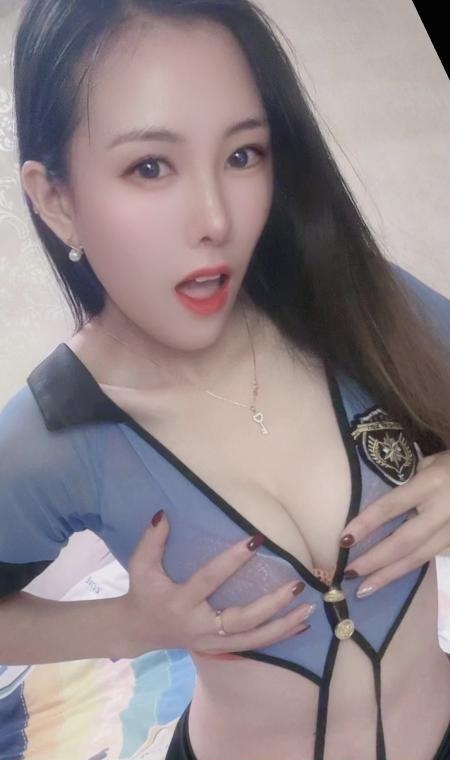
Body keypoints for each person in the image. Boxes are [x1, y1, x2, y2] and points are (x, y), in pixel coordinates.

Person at [1, 1, 450, 759]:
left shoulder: (355, 300)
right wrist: (127, 625)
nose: (216, 218)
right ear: (57, 200)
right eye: (150, 166)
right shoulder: (54, 433)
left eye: (243, 155)